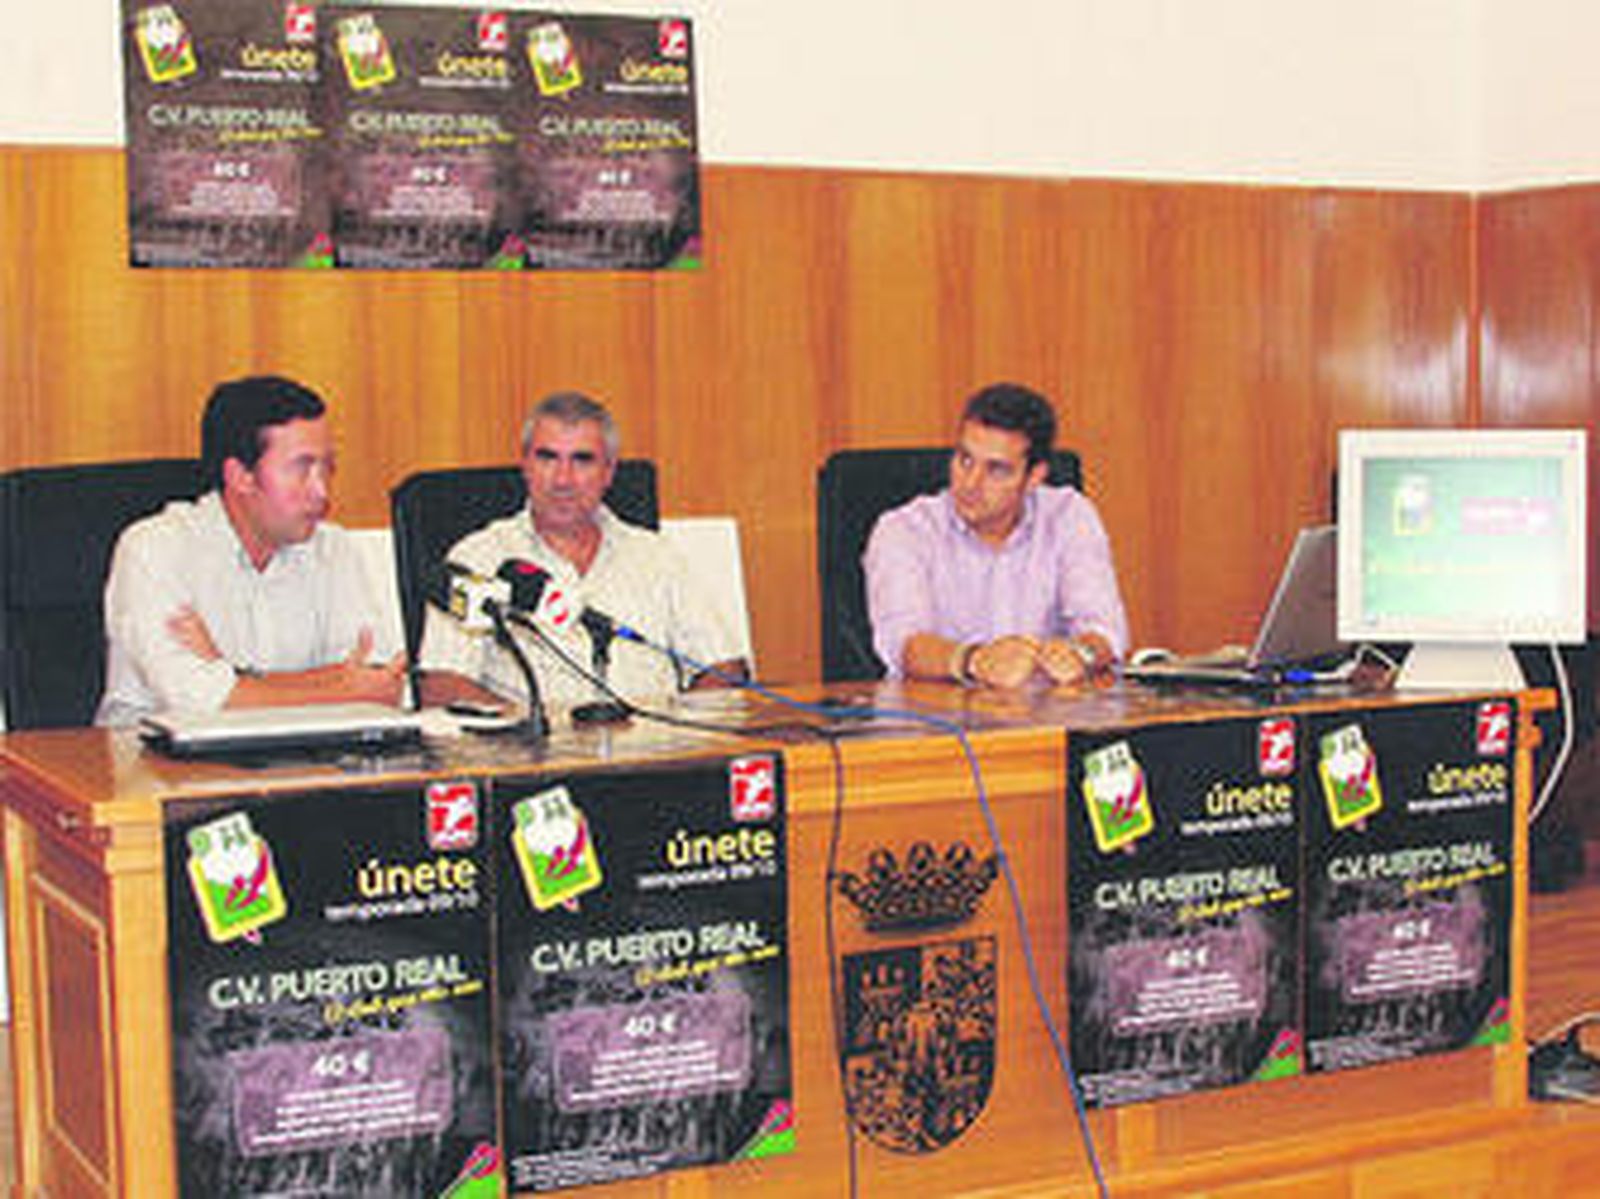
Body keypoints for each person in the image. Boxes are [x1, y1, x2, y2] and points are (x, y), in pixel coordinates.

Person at [96, 375, 406, 726]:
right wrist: (336, 685)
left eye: (327, 468)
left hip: (296, 765)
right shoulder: (155, 549)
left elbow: (381, 688)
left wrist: (232, 678)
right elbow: (196, 702)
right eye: (301, 470)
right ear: (241, 476)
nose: (322, 492)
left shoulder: (334, 550)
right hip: (157, 769)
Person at [418, 391, 748, 714]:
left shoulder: (657, 557)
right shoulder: (478, 558)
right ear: (525, 466)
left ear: (609, 472)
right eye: (547, 458)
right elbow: (442, 684)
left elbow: (725, 668)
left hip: (652, 755)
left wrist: (676, 736)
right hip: (531, 759)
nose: (563, 480)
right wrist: (532, 732)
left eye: (582, 460)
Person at [863, 382, 1129, 689]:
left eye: (996, 470)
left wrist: (1082, 654)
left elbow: (1104, 629)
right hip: (939, 723)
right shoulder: (904, 530)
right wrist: (973, 661)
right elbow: (903, 644)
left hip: (1047, 721)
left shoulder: (1068, 516)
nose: (970, 484)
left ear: (1034, 477)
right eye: (964, 460)